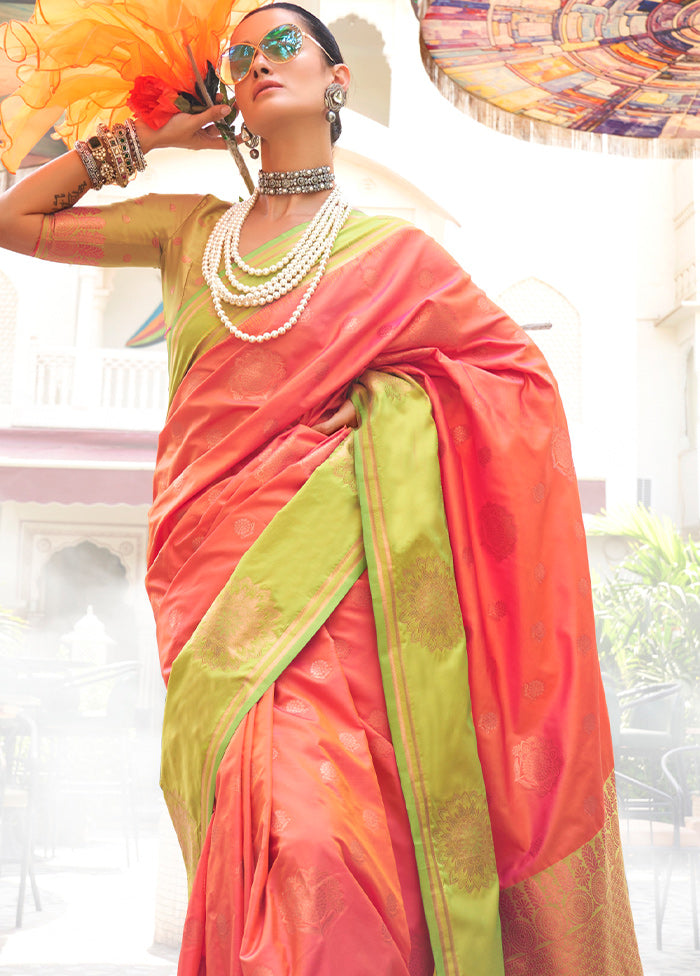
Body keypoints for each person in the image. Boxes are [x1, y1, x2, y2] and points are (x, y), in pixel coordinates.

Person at [0, 4, 643, 974]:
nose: (259, 61)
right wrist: (150, 140)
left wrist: (388, 415)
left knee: (324, 844)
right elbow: (15, 218)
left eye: (283, 43)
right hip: (213, 598)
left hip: (344, 600)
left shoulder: (397, 256)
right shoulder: (189, 232)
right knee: (258, 845)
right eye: (240, 55)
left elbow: (516, 385)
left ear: (338, 80)